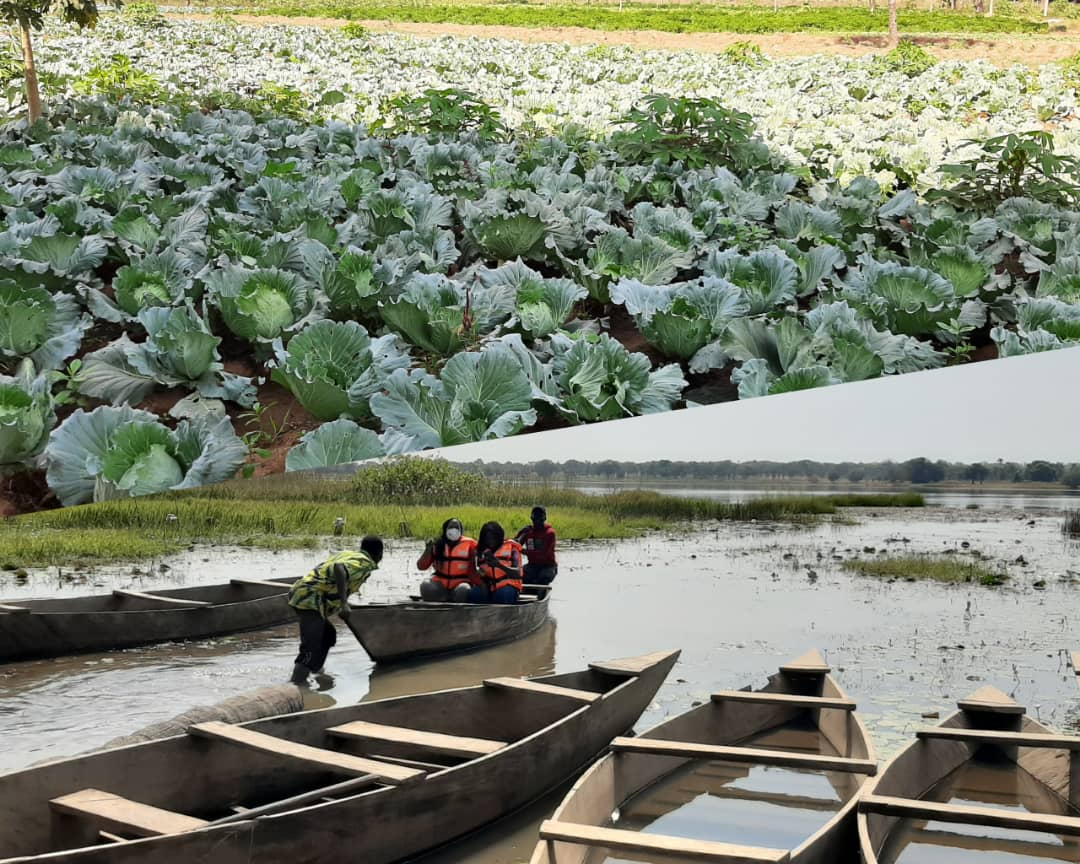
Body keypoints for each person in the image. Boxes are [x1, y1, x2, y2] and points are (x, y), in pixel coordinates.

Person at [287, 536, 383, 684]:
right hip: (310, 598)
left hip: (304, 593)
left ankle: (316, 671)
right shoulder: (365, 562)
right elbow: (339, 568)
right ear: (379, 554)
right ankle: (297, 686)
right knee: (311, 648)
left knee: (328, 635)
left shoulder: (349, 554)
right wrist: (344, 603)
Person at [417, 518, 477, 603]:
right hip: (440, 583)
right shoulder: (437, 544)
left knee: (464, 589)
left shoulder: (471, 544)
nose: (454, 529)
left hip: (461, 583)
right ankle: (439, 605)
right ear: (445, 529)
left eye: (457, 527)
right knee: (425, 585)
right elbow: (421, 566)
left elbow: (483, 558)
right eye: (451, 527)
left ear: (461, 530)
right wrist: (428, 550)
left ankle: (458, 608)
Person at [468, 521, 523, 605]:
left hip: (508, 586)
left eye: (493, 538)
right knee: (475, 594)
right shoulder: (481, 551)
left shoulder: (512, 549)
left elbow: (518, 573)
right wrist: (482, 582)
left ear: (499, 537)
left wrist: (498, 565)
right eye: (487, 539)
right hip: (490, 586)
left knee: (502, 595)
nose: (490, 542)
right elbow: (476, 573)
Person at [514, 506, 557, 585]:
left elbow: (543, 554)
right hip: (532, 565)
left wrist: (523, 551)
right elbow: (514, 545)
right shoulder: (528, 532)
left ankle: (540, 590)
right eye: (535, 517)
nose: (537, 520)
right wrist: (521, 533)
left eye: (539, 517)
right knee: (517, 576)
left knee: (543, 578)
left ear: (544, 518)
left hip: (548, 566)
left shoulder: (550, 533)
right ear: (532, 518)